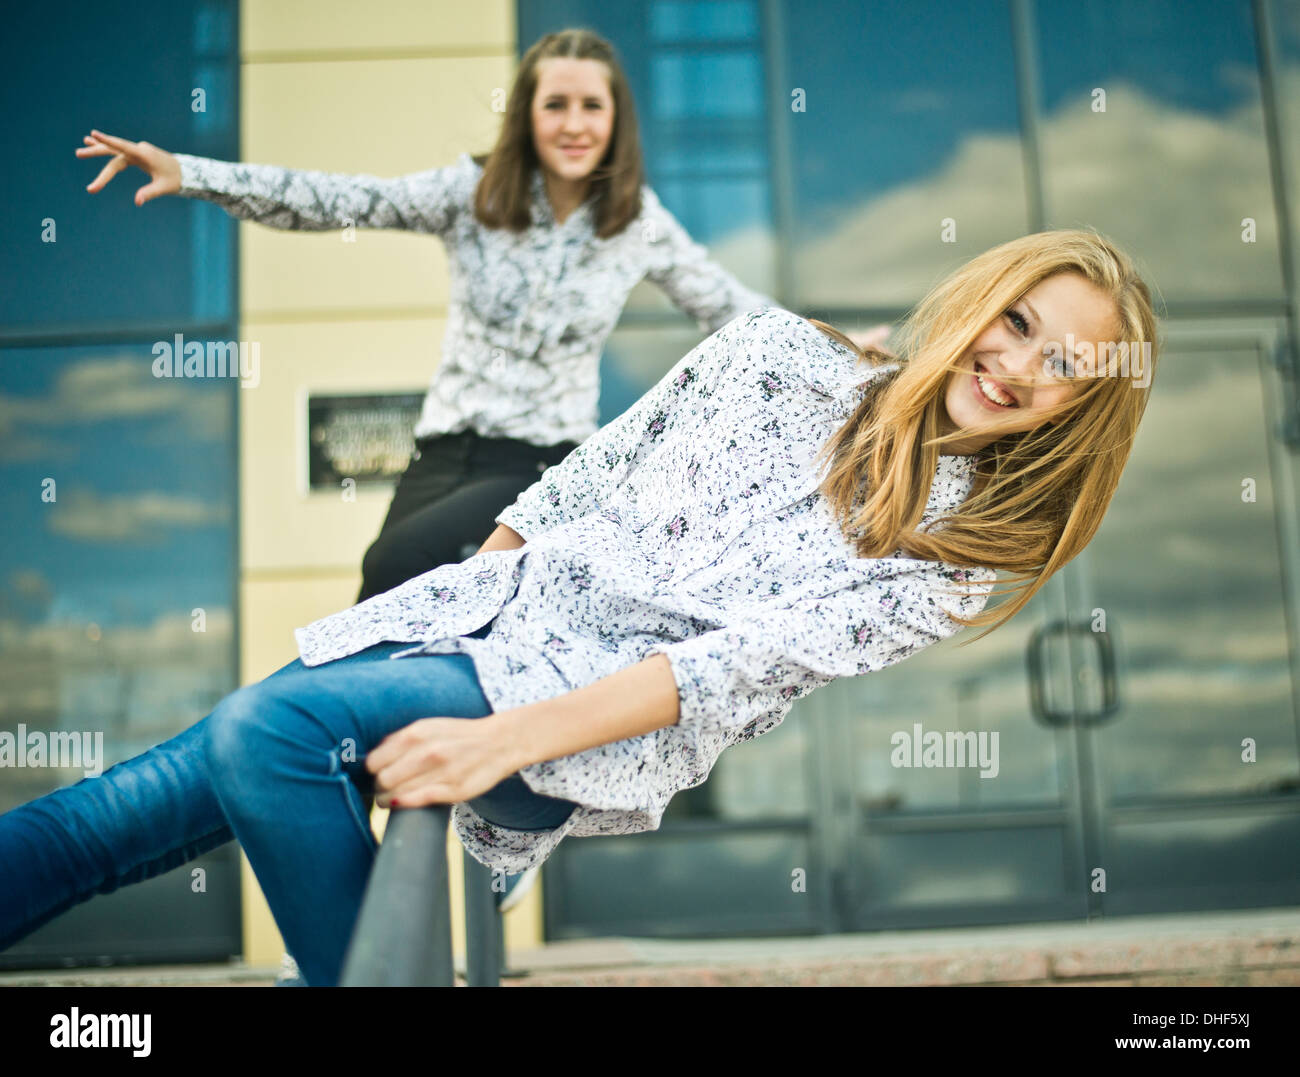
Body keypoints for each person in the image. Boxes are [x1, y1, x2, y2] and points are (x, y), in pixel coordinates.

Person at [0, 229, 1159, 987]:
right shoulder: (768, 351)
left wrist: (497, 741)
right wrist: (476, 587)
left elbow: (725, 674)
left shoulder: (956, 556)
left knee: (271, 731)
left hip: (574, 715)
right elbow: (587, 473)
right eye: (1018, 323)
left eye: (1065, 366)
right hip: (477, 626)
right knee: (110, 818)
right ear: (978, 301)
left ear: (1076, 412)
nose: (1020, 366)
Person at [75, 28, 775, 608]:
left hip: (542, 459)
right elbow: (342, 200)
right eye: (555, 104)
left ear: (615, 118)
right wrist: (195, 172)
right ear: (527, 114)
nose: (573, 124)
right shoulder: (471, 194)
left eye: (591, 106)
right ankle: (380, 773)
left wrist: (839, 350)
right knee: (376, 607)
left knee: (398, 560)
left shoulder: (634, 223)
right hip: (441, 455)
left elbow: (727, 306)